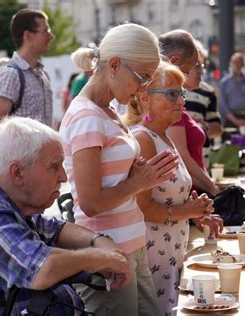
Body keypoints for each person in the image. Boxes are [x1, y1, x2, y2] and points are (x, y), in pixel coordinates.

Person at [0, 116, 131, 315]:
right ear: (17, 173)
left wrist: (98, 240)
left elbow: (55, 229)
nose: (63, 177)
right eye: (54, 166)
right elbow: (41, 270)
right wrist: (99, 258)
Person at [60, 23, 180, 315]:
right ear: (114, 65)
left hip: (128, 245)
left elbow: (112, 176)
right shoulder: (87, 116)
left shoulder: (107, 110)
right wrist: (139, 181)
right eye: (142, 78)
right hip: (108, 252)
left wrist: (135, 171)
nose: (143, 90)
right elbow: (90, 203)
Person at [125, 61, 222, 315]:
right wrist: (187, 211)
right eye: (172, 93)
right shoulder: (144, 139)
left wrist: (196, 212)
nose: (181, 100)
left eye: (182, 93)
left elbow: (168, 198)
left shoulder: (164, 136)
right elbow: (143, 208)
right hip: (153, 253)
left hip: (170, 251)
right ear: (145, 99)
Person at [160, 30, 220, 196]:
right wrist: (214, 190)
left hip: (191, 197)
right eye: (193, 68)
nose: (202, 72)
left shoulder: (175, 102)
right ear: (174, 62)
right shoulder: (168, 104)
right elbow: (181, 157)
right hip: (187, 197)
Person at [0, 8, 54, 127]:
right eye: (46, 31)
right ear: (28, 35)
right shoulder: (10, 74)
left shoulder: (43, 74)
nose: (51, 36)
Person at [183, 42, 222, 167]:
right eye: (197, 66)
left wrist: (205, 127)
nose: (202, 72)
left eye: (203, 66)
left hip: (202, 161)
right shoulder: (169, 92)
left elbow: (218, 130)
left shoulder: (208, 92)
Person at [218, 52, 245, 128]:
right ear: (230, 64)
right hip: (230, 120)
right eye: (234, 62)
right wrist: (235, 121)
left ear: (242, 65)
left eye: (238, 62)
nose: (236, 65)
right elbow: (222, 105)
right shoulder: (224, 83)